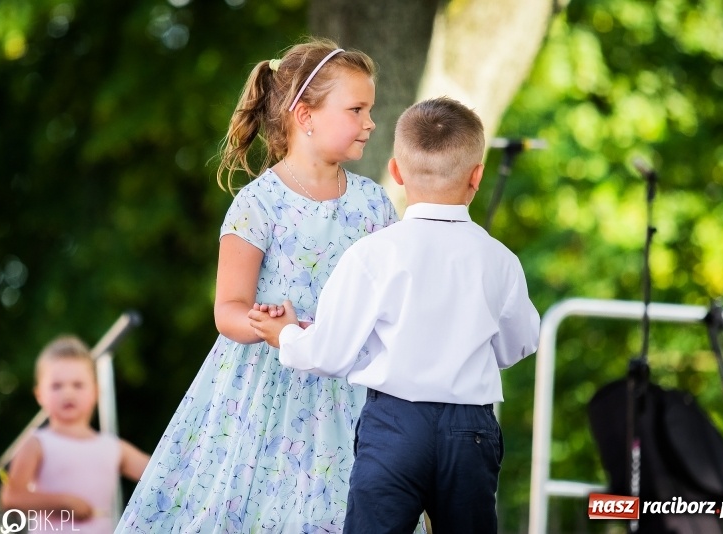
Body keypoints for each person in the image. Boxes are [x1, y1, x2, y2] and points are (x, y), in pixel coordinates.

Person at [116, 38, 409, 533]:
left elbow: (391, 298)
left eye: (370, 110)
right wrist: (263, 324)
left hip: (347, 387)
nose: (370, 122)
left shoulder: (374, 204)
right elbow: (228, 308)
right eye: (356, 109)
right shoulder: (259, 204)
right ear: (305, 115)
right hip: (265, 392)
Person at [249, 96, 541, 534]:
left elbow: (329, 353)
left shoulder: (373, 254)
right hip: (470, 430)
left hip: (394, 426)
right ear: (476, 176)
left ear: (398, 173)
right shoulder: (499, 260)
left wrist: (286, 335)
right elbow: (521, 342)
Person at [0, 335, 150, 533]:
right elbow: (12, 498)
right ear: (39, 395)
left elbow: (161, 471)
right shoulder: (36, 443)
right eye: (57, 386)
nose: (68, 393)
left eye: (78, 385)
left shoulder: (113, 447)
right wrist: (62, 502)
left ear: (96, 392)